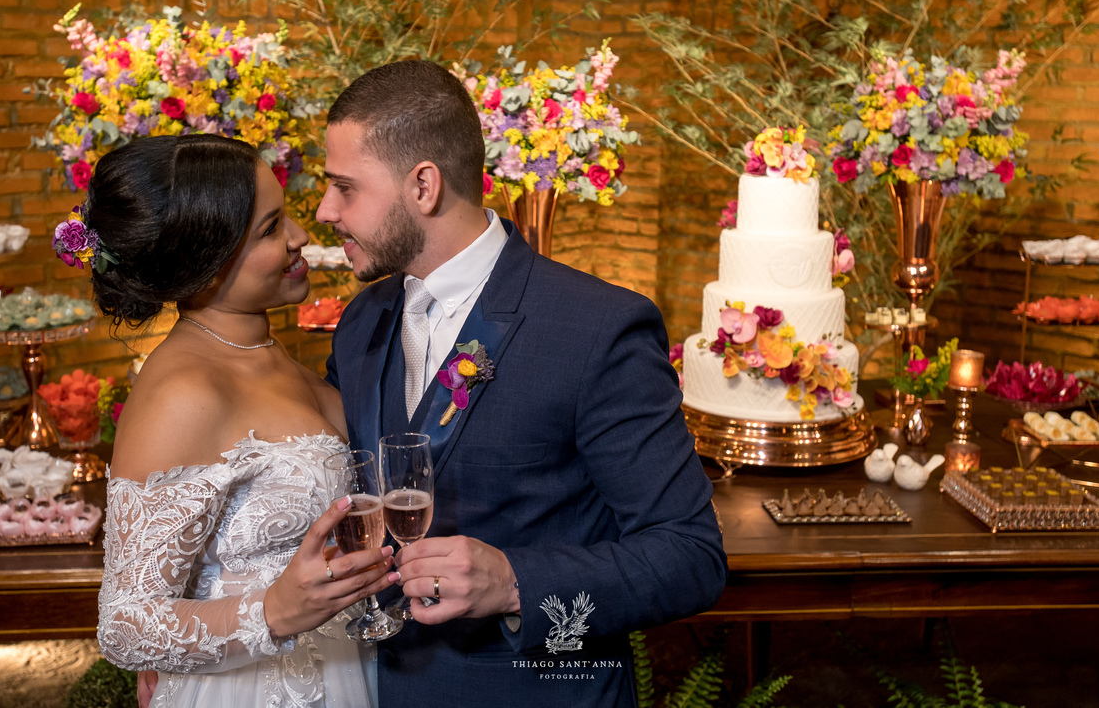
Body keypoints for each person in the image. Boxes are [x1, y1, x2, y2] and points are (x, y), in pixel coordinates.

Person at [320, 60, 727, 707]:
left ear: (423, 184)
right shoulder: (360, 322)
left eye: (345, 187)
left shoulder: (596, 329)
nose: (325, 210)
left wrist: (515, 582)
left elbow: (690, 557)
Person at [84, 134, 394, 707]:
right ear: (203, 266)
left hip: (347, 670)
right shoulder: (185, 391)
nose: (301, 236)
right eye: (271, 229)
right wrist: (273, 611)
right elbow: (126, 625)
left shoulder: (269, 352)